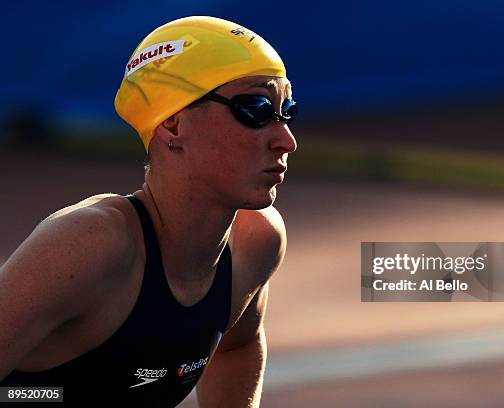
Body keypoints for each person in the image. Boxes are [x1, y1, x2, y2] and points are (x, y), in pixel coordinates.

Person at [0, 16, 297, 407]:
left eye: (286, 110)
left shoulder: (254, 242)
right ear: (172, 124)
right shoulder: (89, 244)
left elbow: (237, 347)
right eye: (255, 109)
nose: (286, 140)